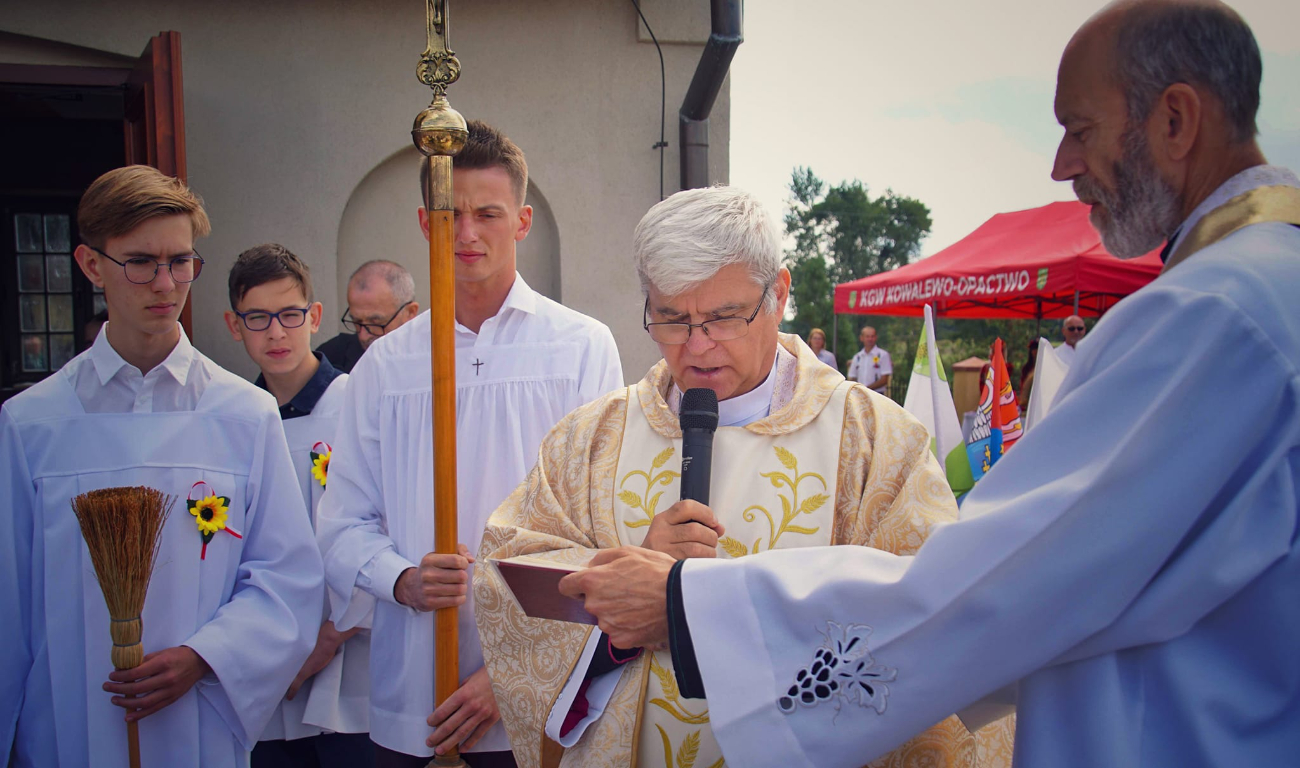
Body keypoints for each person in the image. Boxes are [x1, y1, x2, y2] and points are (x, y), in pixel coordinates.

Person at [559, 2, 1300, 765]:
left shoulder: (1215, 316)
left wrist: (686, 608)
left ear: (1176, 119)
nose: (1061, 165)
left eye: (1079, 129)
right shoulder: (1261, 292)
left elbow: (1013, 580)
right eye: (672, 319)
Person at [475, 186, 1014, 768]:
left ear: (778, 293)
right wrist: (620, 584)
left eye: (724, 318)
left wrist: (685, 606)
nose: (698, 347)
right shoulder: (590, 440)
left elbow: (927, 615)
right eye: (672, 320)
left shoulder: (875, 441)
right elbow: (506, 583)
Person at [316, 120, 624, 767]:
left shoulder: (579, 348)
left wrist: (509, 673)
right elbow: (342, 523)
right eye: (451, 214)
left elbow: (601, 531)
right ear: (427, 224)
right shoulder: (385, 366)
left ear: (522, 221)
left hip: (539, 696)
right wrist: (401, 579)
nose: (469, 232)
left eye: (489, 213)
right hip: (415, 696)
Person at [0, 166, 324, 766]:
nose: (166, 283)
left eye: (181, 262)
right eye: (141, 262)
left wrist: (205, 656)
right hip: (68, 723)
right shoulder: (32, 424)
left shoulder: (244, 415)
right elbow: (9, 606)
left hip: (195, 718)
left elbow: (288, 579)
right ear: (92, 265)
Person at [224, 243, 373, 768]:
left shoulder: (358, 403)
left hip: (351, 664)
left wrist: (329, 638)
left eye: (289, 315)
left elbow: (390, 527)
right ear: (233, 325)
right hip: (267, 671)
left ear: (312, 316)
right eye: (257, 318)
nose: (275, 333)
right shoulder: (234, 420)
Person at [315, 260, 421, 373]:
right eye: (356, 322)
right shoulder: (331, 360)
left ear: (410, 312)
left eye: (375, 322)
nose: (363, 337)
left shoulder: (432, 360)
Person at [847, 325, 892, 395]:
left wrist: (867, 389)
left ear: (876, 338)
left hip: (877, 394)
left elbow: (884, 379)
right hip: (860, 394)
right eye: (867, 336)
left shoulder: (883, 355)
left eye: (872, 336)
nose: (870, 339)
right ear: (861, 338)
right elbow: (852, 377)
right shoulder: (858, 357)